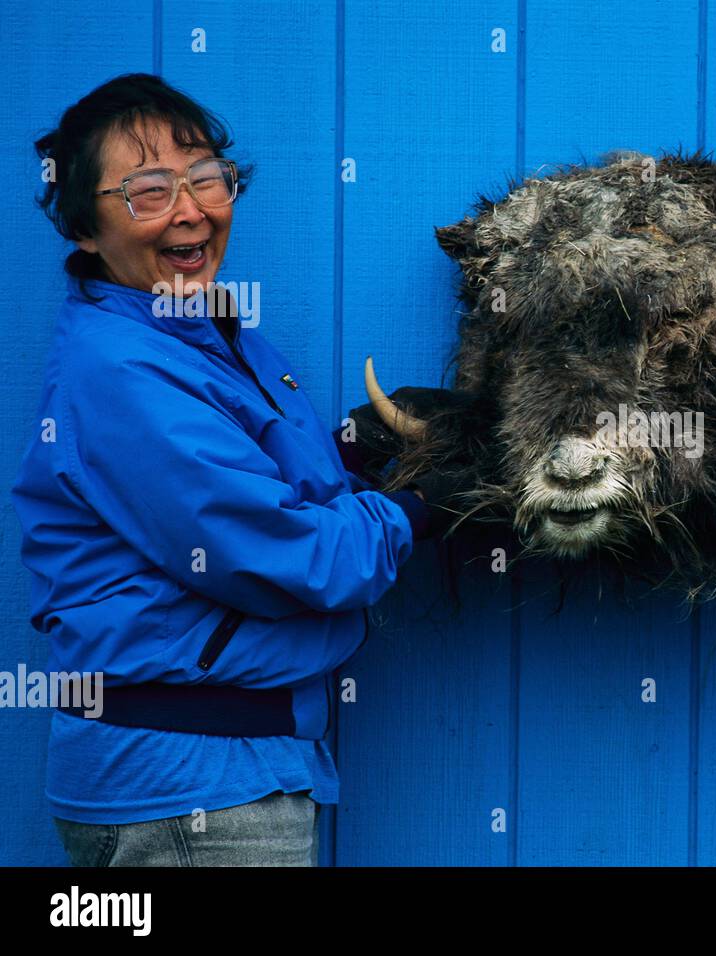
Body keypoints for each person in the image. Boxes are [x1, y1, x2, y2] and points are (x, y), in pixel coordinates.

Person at [11, 73, 457, 866]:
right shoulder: (122, 371)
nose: (190, 210)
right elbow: (294, 557)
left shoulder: (203, 332)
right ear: (83, 224)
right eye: (148, 191)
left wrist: (354, 450)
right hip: (191, 790)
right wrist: (419, 507)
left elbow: (258, 488)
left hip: (220, 772)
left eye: (207, 180)